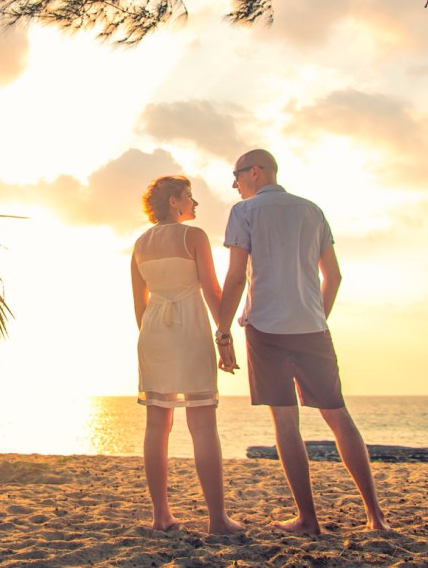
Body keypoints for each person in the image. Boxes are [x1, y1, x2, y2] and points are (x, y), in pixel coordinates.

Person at [216, 149, 390, 533]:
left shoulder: (244, 212)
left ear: (256, 173)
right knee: (338, 416)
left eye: (236, 175)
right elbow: (335, 277)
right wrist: (316, 317)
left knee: (285, 421)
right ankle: (375, 518)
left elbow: (236, 277)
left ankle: (308, 520)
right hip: (313, 329)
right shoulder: (312, 210)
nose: (234, 183)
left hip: (266, 329)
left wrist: (223, 330)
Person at [131, 175, 244, 535]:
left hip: (153, 333)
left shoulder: (139, 244)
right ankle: (217, 519)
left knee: (156, 424)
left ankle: (160, 516)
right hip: (189, 328)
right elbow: (212, 290)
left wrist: (152, 339)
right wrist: (223, 337)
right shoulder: (193, 237)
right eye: (189, 197)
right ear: (174, 202)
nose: (195, 204)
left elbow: (139, 305)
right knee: (203, 424)